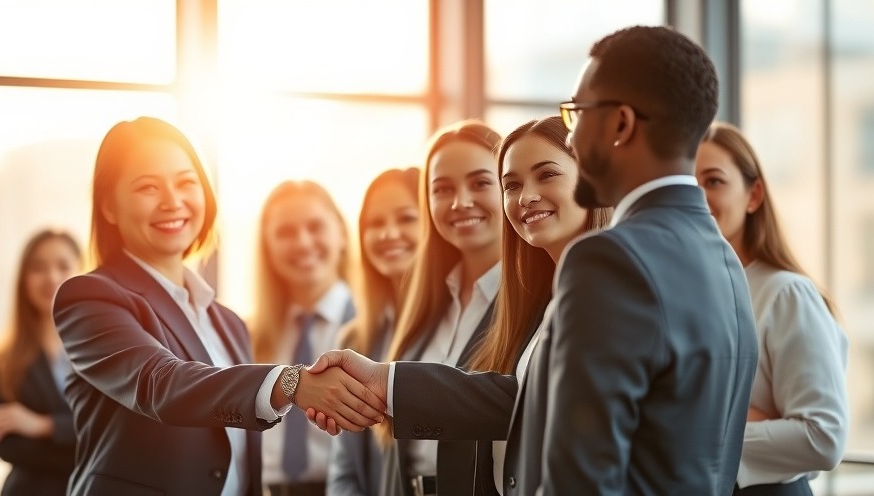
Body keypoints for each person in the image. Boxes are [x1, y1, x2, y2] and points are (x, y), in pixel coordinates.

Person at [310, 26, 759, 495]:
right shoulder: (723, 259)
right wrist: (387, 380)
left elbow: (580, 469)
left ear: (621, 124)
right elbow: (530, 401)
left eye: (577, 113)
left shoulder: (607, 259)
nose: (573, 131)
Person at [52, 116, 385, 496]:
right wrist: (291, 384)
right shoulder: (89, 297)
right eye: (148, 187)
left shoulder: (228, 323)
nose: (172, 201)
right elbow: (159, 384)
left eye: (186, 182)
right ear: (109, 207)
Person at [307, 116, 612, 496]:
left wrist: (388, 382)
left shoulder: (588, 295)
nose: (526, 196)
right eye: (511, 184)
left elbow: (523, 403)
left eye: (546, 174)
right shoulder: (425, 307)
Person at [695, 121, 848, 495]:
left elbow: (823, 436)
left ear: (754, 196)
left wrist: (708, 428)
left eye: (713, 181)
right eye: (687, 184)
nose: (697, 197)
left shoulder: (786, 293)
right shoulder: (689, 296)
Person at [377, 120, 502, 496]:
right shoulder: (426, 302)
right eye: (442, 189)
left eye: (480, 183)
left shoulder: (537, 306)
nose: (459, 202)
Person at [251, 180, 357, 496]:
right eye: (284, 232)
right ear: (267, 247)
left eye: (315, 226)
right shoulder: (248, 336)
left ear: (340, 233)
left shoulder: (378, 326)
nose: (302, 242)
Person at [326, 167, 421, 496]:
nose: (388, 234)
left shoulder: (453, 329)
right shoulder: (355, 340)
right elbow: (344, 467)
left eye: (407, 218)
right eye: (375, 224)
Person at [0, 229, 82, 495]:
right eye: (38, 267)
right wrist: (86, 453)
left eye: (63, 266)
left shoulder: (106, 355)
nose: (51, 277)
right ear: (23, 279)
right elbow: (9, 446)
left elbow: (118, 431)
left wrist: (43, 426)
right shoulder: (1, 363)